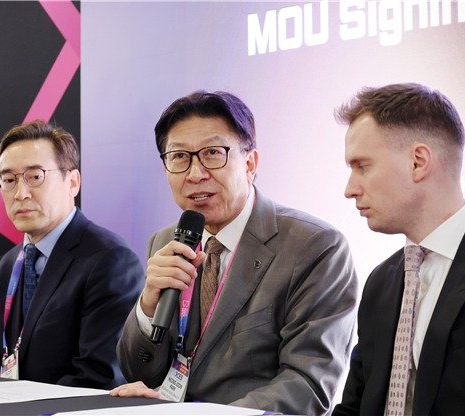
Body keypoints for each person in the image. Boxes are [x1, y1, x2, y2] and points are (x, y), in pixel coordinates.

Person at [111, 91, 358, 415]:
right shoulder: (166, 241)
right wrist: (147, 306)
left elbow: (307, 385)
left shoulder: (315, 246)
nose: (195, 173)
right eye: (179, 156)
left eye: (213, 153)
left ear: (250, 163)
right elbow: (138, 372)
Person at [332, 83, 465, 415]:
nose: (350, 189)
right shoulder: (380, 282)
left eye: (362, 166)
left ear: (418, 162)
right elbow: (353, 408)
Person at [0, 120, 144, 389]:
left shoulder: (110, 259)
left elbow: (98, 375)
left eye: (35, 177)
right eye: (8, 180)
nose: (20, 193)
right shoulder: (7, 265)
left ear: (73, 182)